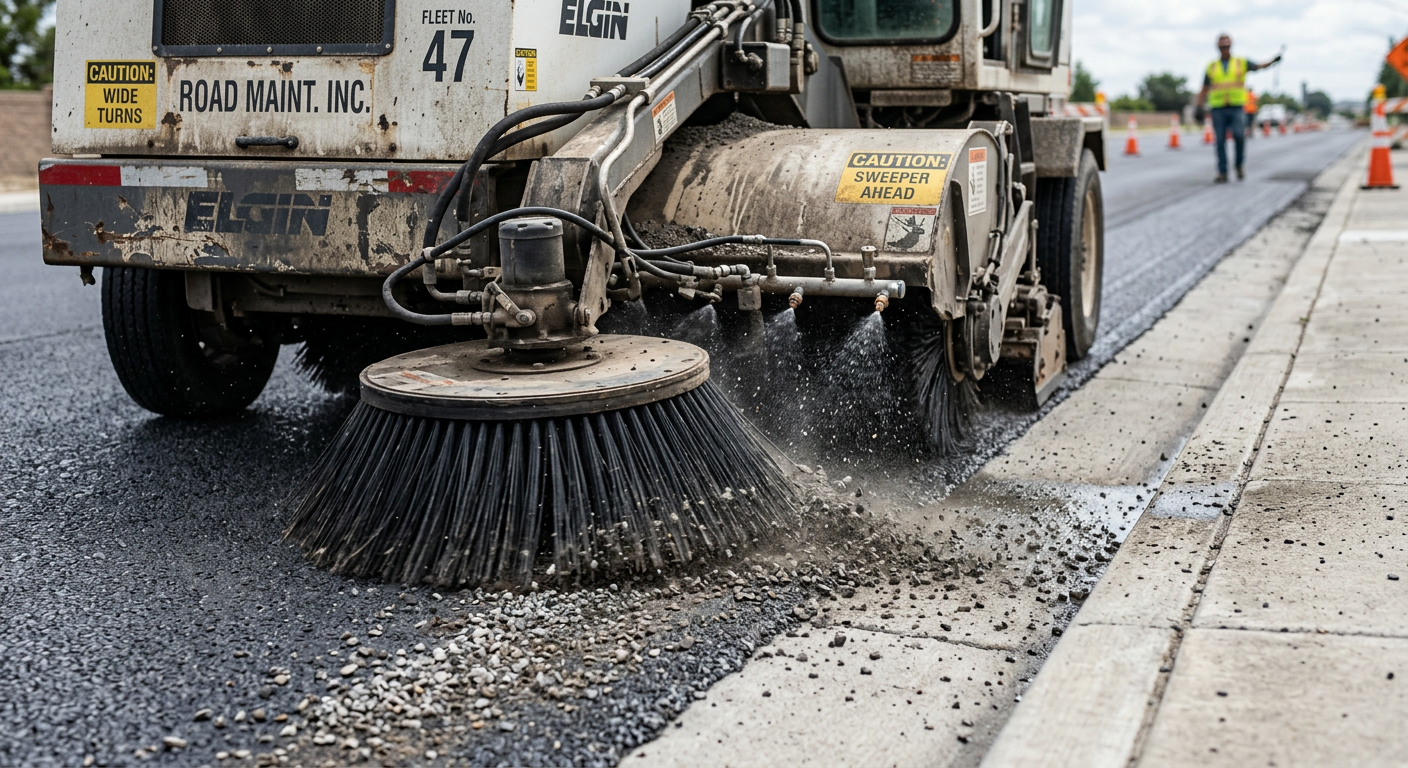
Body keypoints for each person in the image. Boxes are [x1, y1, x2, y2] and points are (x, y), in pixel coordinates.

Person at [1194, 34, 1281, 182]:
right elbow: (1204, 87)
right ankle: (1223, 172)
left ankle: (1239, 164)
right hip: (1218, 108)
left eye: (1227, 44)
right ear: (1218, 46)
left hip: (1237, 107)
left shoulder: (1241, 62)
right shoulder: (1212, 66)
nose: (1224, 47)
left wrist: (1273, 61)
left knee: (1239, 136)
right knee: (1219, 140)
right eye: (1222, 45)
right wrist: (1198, 106)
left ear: (1231, 45)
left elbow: (1259, 66)